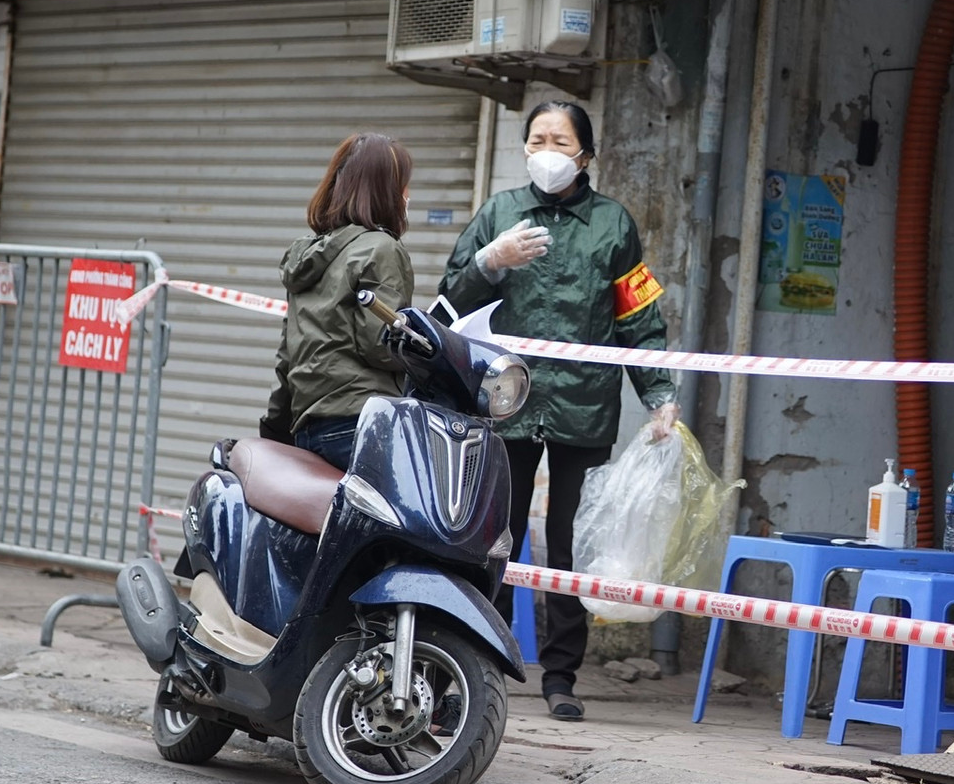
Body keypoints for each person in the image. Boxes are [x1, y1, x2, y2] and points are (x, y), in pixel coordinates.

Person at [439, 101, 679, 722]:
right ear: (524, 148)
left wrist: (658, 393)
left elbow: (639, 318)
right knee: (494, 536)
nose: (547, 149)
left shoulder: (614, 225)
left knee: (572, 542)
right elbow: (449, 299)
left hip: (584, 402)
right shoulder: (499, 213)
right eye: (537, 138)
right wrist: (492, 261)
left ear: (585, 156)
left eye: (560, 140)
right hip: (505, 398)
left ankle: (561, 676)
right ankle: (471, 660)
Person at [259, 132, 414, 470]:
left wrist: (273, 428)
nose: (408, 195)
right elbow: (381, 345)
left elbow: (288, 355)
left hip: (308, 429)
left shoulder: (308, 254)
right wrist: (425, 344)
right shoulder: (381, 248)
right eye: (403, 185)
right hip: (362, 423)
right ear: (386, 191)